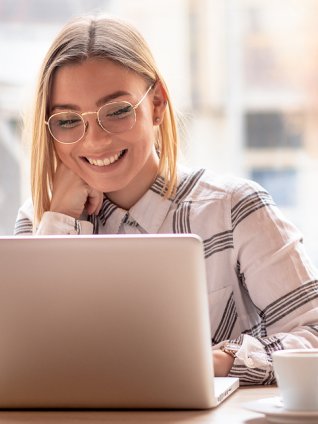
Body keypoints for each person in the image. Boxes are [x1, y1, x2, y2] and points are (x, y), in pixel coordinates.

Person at [15, 14, 318, 385]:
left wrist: (217, 361)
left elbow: (313, 336)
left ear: (156, 104)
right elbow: (23, 359)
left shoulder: (234, 209)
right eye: (67, 120)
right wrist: (60, 220)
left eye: (118, 111)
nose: (94, 141)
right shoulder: (40, 221)